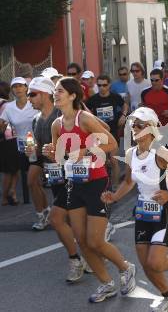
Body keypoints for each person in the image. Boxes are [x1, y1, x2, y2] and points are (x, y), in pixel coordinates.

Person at [42, 77, 136, 302]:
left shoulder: (84, 119)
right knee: (82, 241)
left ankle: (125, 268)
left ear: (73, 95)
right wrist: (49, 151)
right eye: (54, 91)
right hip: (73, 183)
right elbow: (59, 155)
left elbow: (112, 144)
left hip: (96, 181)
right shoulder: (56, 124)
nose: (56, 94)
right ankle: (107, 284)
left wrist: (84, 150)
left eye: (60, 91)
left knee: (95, 241)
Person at [101, 107, 168, 312]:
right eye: (132, 124)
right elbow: (128, 182)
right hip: (144, 212)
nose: (134, 128)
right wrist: (114, 196)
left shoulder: (161, 153)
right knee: (146, 264)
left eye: (139, 125)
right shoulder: (130, 153)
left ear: (151, 128)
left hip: (164, 213)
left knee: (155, 262)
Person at [25, 76, 91, 280]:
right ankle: (78, 258)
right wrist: (34, 151)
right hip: (54, 172)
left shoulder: (64, 111)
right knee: (61, 219)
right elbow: (43, 149)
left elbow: (95, 136)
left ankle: (89, 255)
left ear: (45, 94)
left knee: (71, 220)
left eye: (32, 94)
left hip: (75, 172)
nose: (29, 99)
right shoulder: (36, 119)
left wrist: (80, 153)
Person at [0, 77, 40, 220]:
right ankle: (41, 211)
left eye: (20, 86)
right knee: (29, 180)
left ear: (26, 88)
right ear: (11, 90)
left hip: (38, 145)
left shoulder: (33, 103)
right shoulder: (9, 107)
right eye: (14, 87)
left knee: (35, 180)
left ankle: (43, 210)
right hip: (21, 146)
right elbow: (2, 125)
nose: (17, 89)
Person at [86, 75, 128, 188]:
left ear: (109, 85)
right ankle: (104, 186)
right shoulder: (93, 99)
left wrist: (123, 115)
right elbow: (87, 112)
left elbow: (125, 105)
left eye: (104, 85)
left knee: (114, 160)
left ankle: (115, 187)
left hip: (113, 132)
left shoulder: (115, 97)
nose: (102, 87)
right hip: (98, 134)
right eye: (99, 85)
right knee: (102, 161)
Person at [0, 81, 20, 206]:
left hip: (3, 140)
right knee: (14, 169)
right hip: (11, 138)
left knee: (9, 169)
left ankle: (10, 193)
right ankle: (7, 195)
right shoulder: (7, 105)